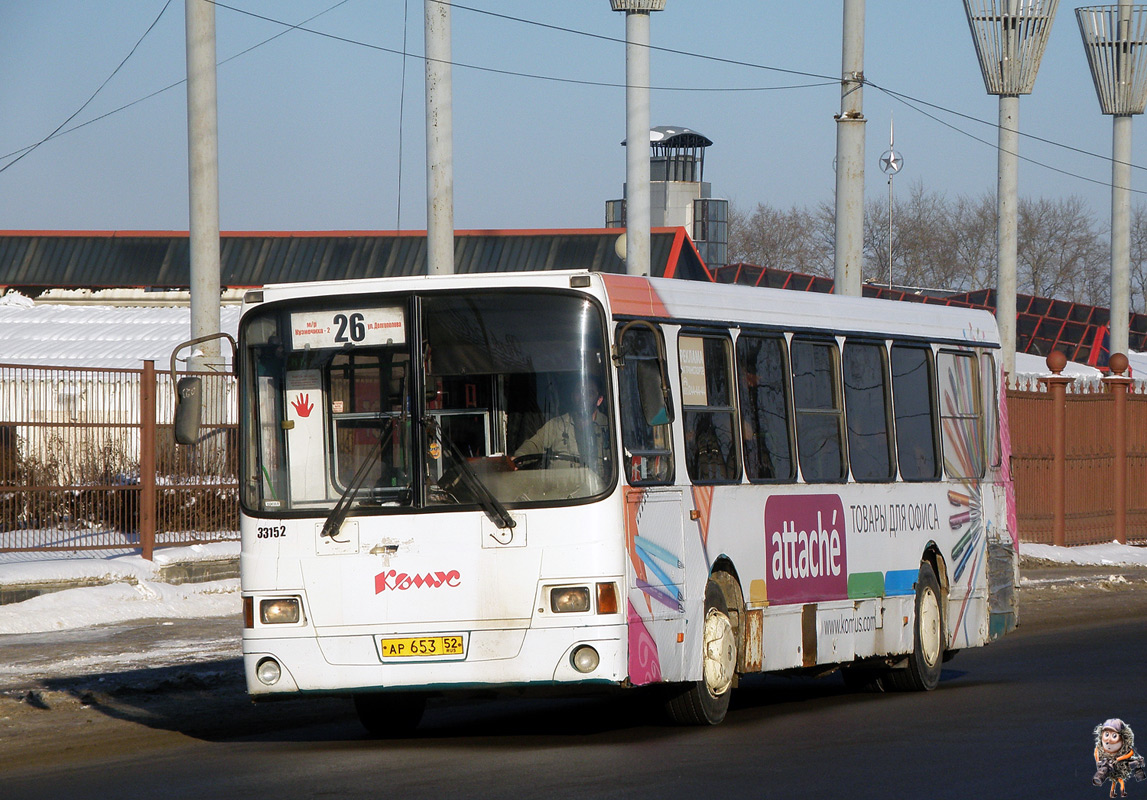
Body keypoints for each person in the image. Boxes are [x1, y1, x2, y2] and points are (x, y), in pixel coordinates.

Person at [514, 376, 610, 475]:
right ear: (573, 396)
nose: (583, 397)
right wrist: (518, 458)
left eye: (589, 393)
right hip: (560, 489)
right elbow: (534, 444)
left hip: (601, 490)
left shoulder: (610, 429)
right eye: (579, 392)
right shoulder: (556, 425)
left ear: (599, 400)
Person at [1093, 718, 1147, 798]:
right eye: (1106, 734)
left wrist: (1119, 759)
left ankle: (1120, 792)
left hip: (1120, 767)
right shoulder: (1099, 749)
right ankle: (1115, 793)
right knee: (1115, 781)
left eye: (1114, 736)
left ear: (1124, 738)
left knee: (1119, 780)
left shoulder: (1125, 749)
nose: (1108, 740)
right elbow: (1096, 752)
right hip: (1111, 768)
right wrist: (1098, 762)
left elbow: (1131, 753)